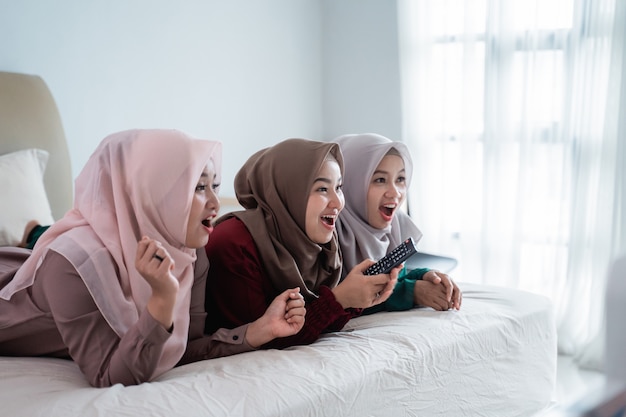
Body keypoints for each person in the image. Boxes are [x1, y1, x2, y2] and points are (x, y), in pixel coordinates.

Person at [0, 129, 305, 388]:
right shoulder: (72, 265)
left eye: (214, 185)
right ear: (153, 193)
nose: (215, 203)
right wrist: (162, 301)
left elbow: (179, 348)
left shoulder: (189, 251)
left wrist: (258, 330)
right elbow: (109, 376)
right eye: (198, 187)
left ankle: (31, 232)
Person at [203, 138, 400, 349]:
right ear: (289, 191)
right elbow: (264, 339)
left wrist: (355, 299)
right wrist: (339, 299)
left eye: (339, 187)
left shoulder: (321, 246)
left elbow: (321, 325)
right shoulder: (234, 243)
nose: (338, 202)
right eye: (322, 189)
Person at [333, 133, 462, 312]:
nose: (395, 193)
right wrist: (411, 292)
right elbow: (339, 300)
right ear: (350, 183)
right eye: (380, 180)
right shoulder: (328, 232)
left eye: (400, 179)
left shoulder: (394, 225)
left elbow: (394, 276)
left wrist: (425, 276)